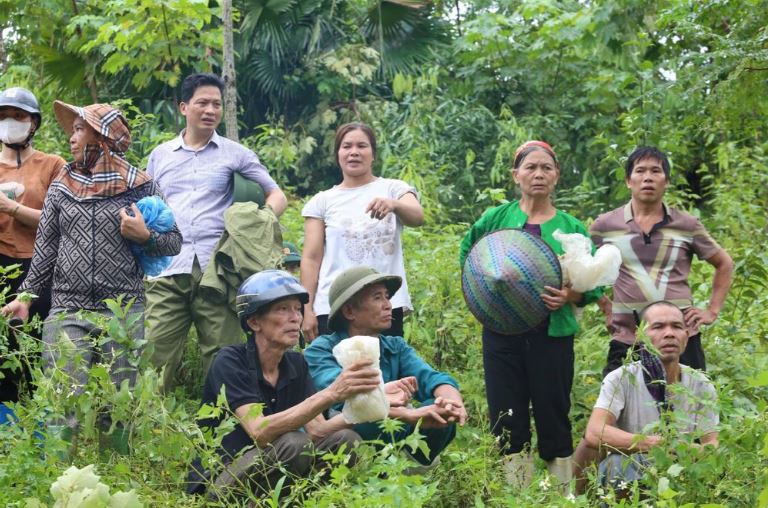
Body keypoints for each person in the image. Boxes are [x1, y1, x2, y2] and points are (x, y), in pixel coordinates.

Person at [1, 101, 181, 439]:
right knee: (63, 402)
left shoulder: (141, 186)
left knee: (118, 408)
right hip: (68, 306)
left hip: (124, 309)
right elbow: (46, 249)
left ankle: (115, 478)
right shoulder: (62, 185)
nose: (71, 137)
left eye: (80, 129)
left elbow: (173, 242)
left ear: (105, 138)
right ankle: (59, 481)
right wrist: (25, 297)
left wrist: (146, 236)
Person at [459, 140, 602, 490]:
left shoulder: (572, 228)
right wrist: (484, 295)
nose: (538, 174)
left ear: (556, 176)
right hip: (500, 334)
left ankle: (560, 493)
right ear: (515, 175)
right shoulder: (496, 219)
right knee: (506, 415)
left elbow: (596, 282)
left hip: (552, 334)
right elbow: (471, 257)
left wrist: (570, 294)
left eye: (546, 168)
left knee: (554, 412)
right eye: (530, 168)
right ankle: (517, 494)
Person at [145, 73, 288, 392]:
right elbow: (148, 205)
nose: (210, 110)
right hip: (167, 267)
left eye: (217, 104)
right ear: (183, 107)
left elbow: (276, 196)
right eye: (202, 103)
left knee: (222, 355)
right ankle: (149, 426)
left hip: (218, 269)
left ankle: (221, 428)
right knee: (155, 353)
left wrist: (254, 225)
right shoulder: (160, 155)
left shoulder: (235, 153)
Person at [187, 270, 381, 500]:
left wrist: (374, 404)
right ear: (254, 321)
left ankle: (297, 502)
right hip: (223, 477)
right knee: (295, 443)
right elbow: (259, 431)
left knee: (347, 440)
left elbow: (318, 430)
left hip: (272, 466)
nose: (295, 318)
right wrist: (331, 394)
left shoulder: (296, 363)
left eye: (298, 309)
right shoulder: (230, 361)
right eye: (283, 309)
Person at [590, 146, 733, 375]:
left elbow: (724, 263)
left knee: (689, 404)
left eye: (656, 171)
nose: (648, 177)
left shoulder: (686, 224)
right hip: (628, 338)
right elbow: (583, 269)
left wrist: (711, 311)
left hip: (680, 339)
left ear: (666, 181)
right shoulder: (605, 225)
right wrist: (605, 305)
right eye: (640, 171)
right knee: (620, 404)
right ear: (628, 180)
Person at [304, 266, 467, 468]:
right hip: (353, 435)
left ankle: (409, 469)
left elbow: (431, 378)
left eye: (387, 297)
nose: (388, 305)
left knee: (438, 409)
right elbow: (354, 397)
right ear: (349, 311)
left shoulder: (394, 346)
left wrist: (452, 403)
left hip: (398, 431)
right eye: (377, 297)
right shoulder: (321, 350)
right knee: (359, 420)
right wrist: (409, 414)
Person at [574, 301, 719, 495]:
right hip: (632, 462)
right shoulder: (620, 378)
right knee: (614, 465)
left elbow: (712, 443)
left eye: (677, 326)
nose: (669, 333)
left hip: (681, 468)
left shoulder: (701, 383)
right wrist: (654, 444)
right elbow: (594, 432)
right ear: (640, 336)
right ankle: (573, 499)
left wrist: (688, 450)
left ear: (686, 336)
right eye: (658, 327)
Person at [301, 122, 424, 341]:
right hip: (333, 307)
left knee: (386, 371)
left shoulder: (393, 189)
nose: (354, 152)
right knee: (335, 372)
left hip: (384, 307)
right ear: (338, 153)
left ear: (373, 154)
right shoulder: (321, 201)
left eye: (362, 146)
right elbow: (311, 258)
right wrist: (306, 309)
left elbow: (417, 216)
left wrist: (394, 204)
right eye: (346, 146)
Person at [0, 87, 65, 409]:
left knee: (38, 346)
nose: (10, 122)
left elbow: (61, 221)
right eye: (4, 116)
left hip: (40, 269)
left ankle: (40, 422)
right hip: (1, 266)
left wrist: (12, 209)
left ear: (34, 123)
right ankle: (7, 427)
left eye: (19, 116)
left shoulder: (52, 165)